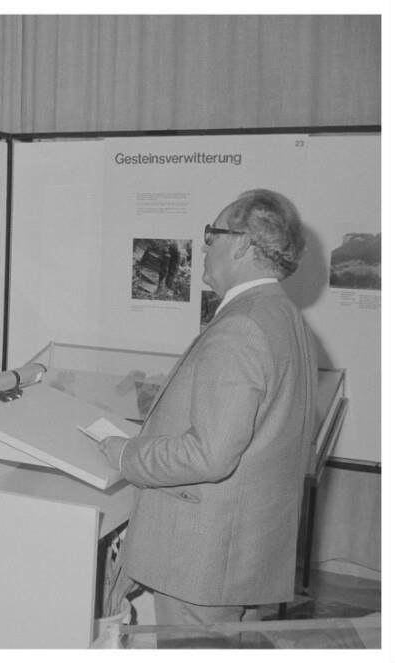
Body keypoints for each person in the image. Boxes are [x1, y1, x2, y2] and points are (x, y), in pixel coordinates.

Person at [98, 189, 317, 626]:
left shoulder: (242, 326)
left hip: (203, 562)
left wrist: (126, 454)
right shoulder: (284, 315)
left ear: (242, 244)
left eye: (212, 234)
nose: (204, 246)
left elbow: (210, 454)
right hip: (246, 553)